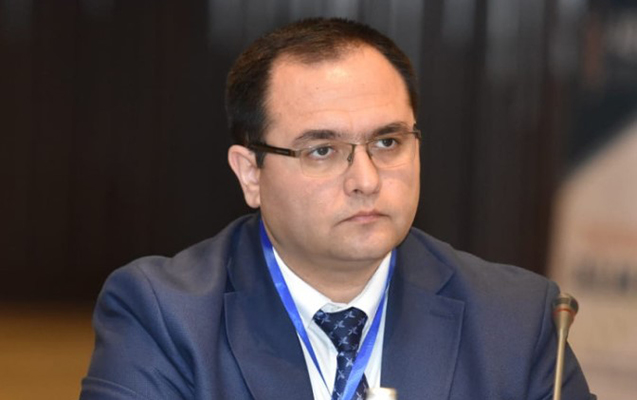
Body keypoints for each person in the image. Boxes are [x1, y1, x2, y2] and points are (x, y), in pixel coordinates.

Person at [80, 18, 594, 400]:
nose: (366, 181)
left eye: (388, 142)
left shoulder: (519, 320)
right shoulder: (165, 316)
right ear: (251, 173)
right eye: (322, 150)